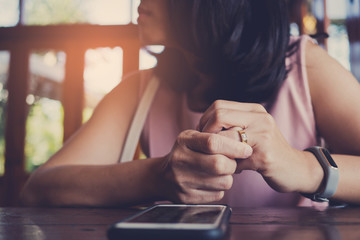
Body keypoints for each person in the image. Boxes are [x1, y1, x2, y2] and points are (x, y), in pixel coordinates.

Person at [21, 0, 360, 207]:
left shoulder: (304, 66)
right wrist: (157, 176)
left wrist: (302, 166)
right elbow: (39, 189)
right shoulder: (142, 89)